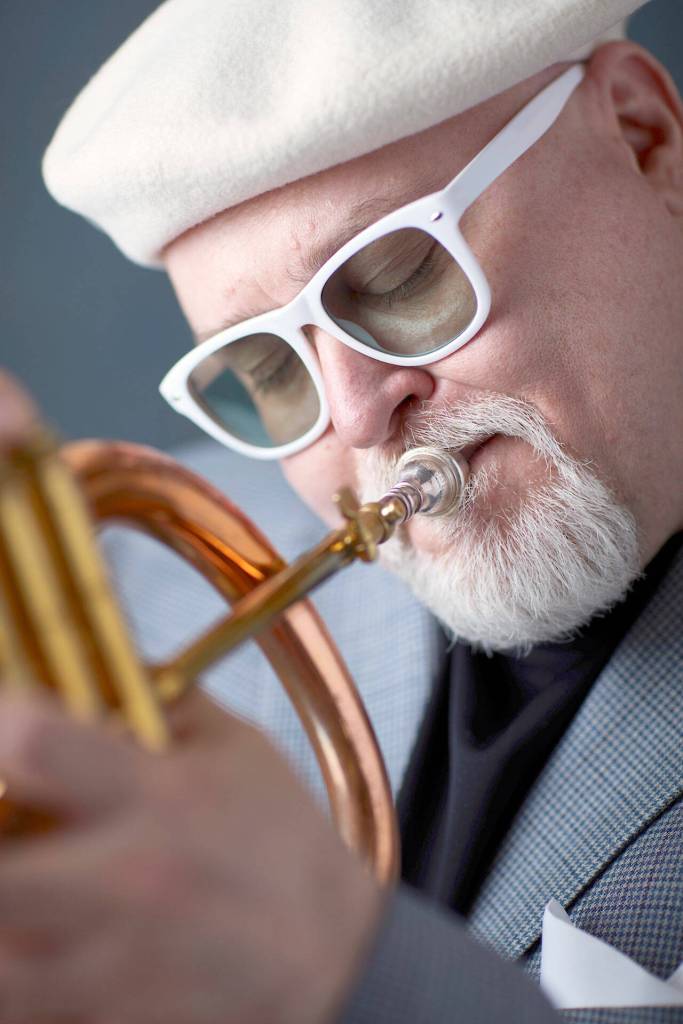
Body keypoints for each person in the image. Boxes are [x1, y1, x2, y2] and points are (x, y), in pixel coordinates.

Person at [0, 0, 681, 1020]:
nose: (358, 415)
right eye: (268, 369)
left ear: (640, 136)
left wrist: (337, 963)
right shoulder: (146, 575)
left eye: (401, 276)